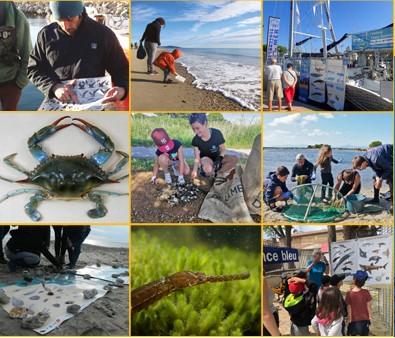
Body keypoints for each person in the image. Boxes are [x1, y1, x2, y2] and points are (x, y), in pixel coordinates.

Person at [27, 1, 128, 104]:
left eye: (70, 19)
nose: (65, 26)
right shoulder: (46, 35)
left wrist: (122, 89)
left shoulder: (104, 35)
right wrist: (54, 87)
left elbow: (122, 69)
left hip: (93, 105)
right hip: (56, 103)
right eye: (60, 20)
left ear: (80, 13)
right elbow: (33, 69)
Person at [0, 1, 32, 110]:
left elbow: (28, 57)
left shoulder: (17, 18)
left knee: (10, 123)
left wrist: (18, 86)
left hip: (10, 85)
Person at [189, 113, 238, 179]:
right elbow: (197, 158)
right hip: (206, 159)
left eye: (197, 128)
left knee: (234, 159)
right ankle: (206, 170)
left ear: (205, 123)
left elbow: (223, 149)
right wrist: (194, 171)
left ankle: (218, 173)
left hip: (217, 158)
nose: (195, 132)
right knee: (208, 168)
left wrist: (220, 158)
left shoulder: (217, 133)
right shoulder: (195, 140)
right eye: (193, 129)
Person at [283, 270, 318, 336]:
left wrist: (289, 280)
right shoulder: (305, 300)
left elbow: (287, 290)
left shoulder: (287, 299)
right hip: (302, 326)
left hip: (294, 323)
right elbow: (314, 286)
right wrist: (302, 281)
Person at [345, 270, 372, 336]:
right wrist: (370, 316)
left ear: (354, 279)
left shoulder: (349, 294)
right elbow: (369, 306)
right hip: (365, 320)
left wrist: (350, 318)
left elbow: (349, 307)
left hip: (354, 321)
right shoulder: (366, 292)